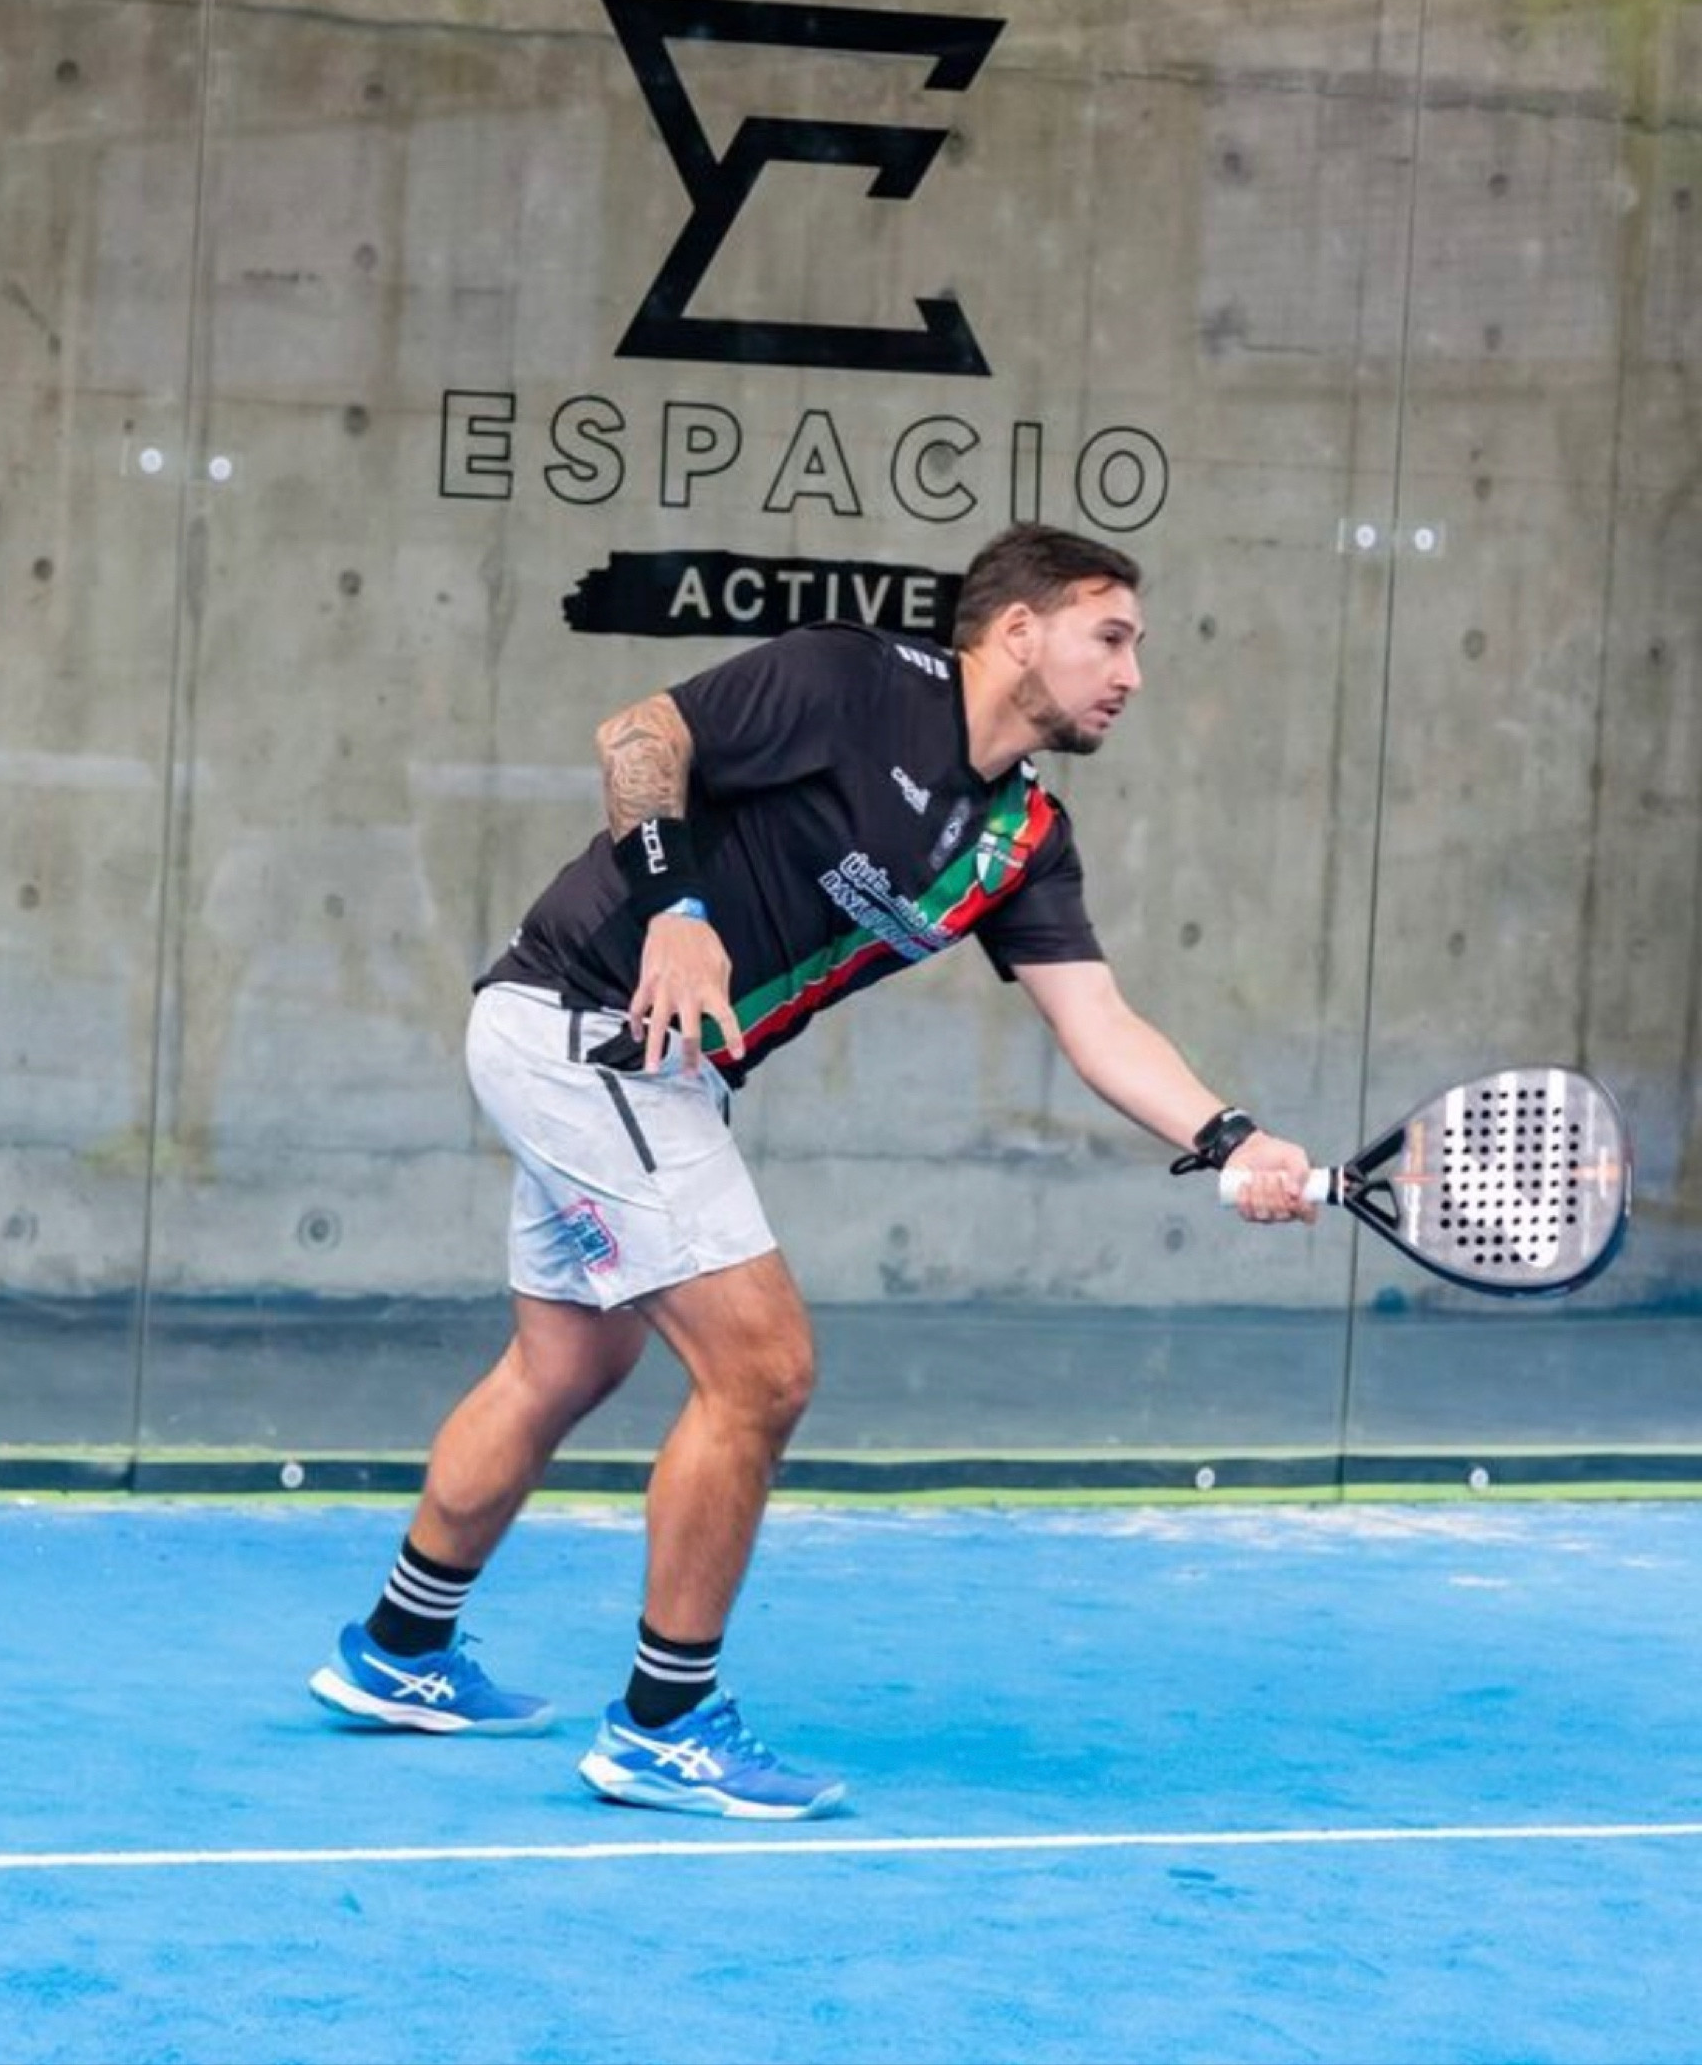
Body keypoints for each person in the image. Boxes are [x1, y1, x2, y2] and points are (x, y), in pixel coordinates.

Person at [308, 521, 1316, 1820]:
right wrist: (676, 911)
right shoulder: (851, 681)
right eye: (1109, 638)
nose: (1132, 674)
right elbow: (640, 735)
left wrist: (1231, 1137)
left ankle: (400, 1647)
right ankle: (664, 1724)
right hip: (587, 1026)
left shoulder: (1019, 838)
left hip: (651, 1069)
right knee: (763, 1368)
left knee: (568, 1361)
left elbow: (1100, 1022)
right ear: (1020, 631)